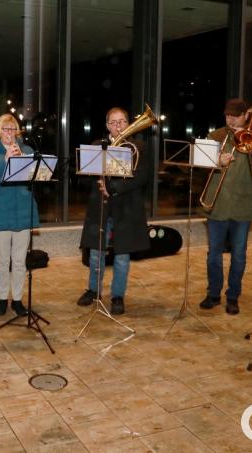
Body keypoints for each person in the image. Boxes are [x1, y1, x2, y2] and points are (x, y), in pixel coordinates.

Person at [199, 98, 252, 315]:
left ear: (246, 115)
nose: (230, 119)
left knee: (239, 254)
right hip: (218, 203)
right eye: (228, 115)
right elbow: (199, 163)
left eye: (235, 115)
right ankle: (213, 293)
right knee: (214, 254)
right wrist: (216, 160)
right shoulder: (216, 136)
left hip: (243, 204)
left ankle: (233, 296)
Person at [76, 107, 150, 315]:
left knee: (121, 256)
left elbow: (142, 177)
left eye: (122, 122)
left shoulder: (139, 146)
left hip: (126, 207)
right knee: (95, 254)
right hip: (99, 207)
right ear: (107, 125)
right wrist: (93, 175)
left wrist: (113, 189)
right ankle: (93, 290)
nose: (118, 126)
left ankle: (118, 295)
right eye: (114, 122)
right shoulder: (97, 146)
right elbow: (85, 176)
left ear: (128, 124)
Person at [0, 113, 40, 317]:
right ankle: (2, 298)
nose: (9, 133)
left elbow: (34, 177)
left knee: (19, 261)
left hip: (23, 212)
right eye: (5, 129)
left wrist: (22, 159)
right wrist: (5, 159)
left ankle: (17, 299)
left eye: (12, 129)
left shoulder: (27, 150)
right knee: (1, 260)